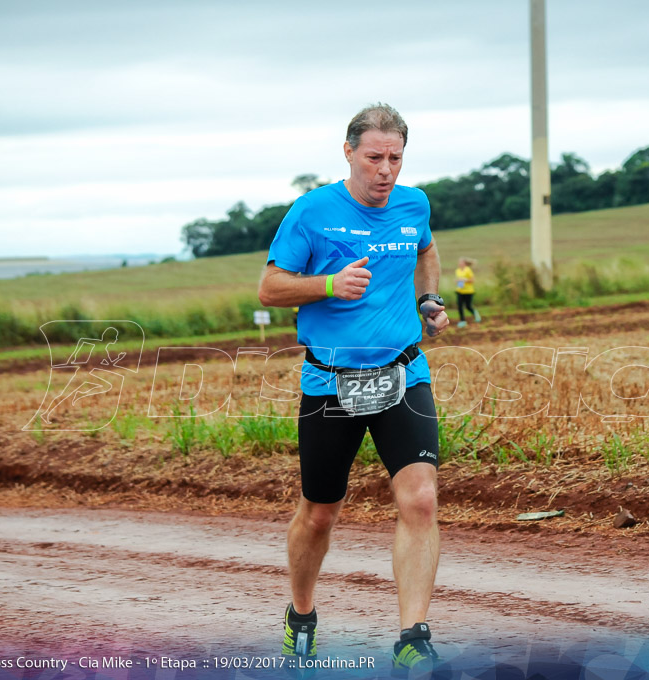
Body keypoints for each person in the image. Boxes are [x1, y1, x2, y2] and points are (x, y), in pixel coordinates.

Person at [257, 103, 449, 677]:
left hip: (403, 373)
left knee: (420, 498)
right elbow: (269, 287)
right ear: (348, 152)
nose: (385, 170)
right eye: (374, 158)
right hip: (331, 381)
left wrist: (428, 302)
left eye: (395, 158)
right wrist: (327, 285)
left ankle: (413, 636)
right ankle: (301, 614)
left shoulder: (414, 204)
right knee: (320, 513)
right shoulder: (311, 212)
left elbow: (426, 249)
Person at [454, 257, 481, 328]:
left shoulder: (468, 270)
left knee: (468, 306)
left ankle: (476, 314)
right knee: (460, 306)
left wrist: (465, 280)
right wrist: (457, 281)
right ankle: (462, 321)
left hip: (468, 291)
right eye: (459, 262)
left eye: (461, 262)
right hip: (460, 291)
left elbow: (472, 280)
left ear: (464, 263)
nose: (459, 263)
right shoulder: (457, 270)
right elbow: (458, 280)